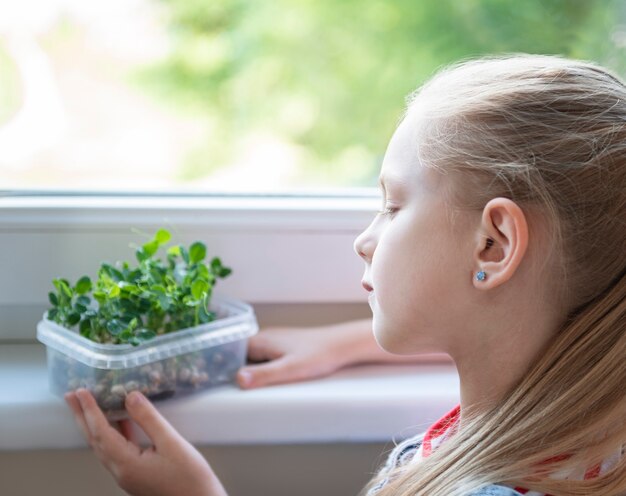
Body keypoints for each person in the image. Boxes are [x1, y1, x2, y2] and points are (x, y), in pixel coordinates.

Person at [65, 54, 626, 496]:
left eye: (393, 206)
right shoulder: (589, 428)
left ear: (492, 245)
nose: (365, 240)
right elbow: (515, 324)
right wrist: (342, 343)